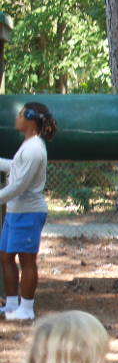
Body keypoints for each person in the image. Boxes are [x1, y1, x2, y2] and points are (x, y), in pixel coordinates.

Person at [0, 102, 57, 320]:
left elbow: (19, 185)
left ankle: (27, 309)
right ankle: (12, 304)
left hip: (29, 211)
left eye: (20, 115)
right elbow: (15, 166)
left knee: (26, 260)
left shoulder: (34, 149)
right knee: (5, 256)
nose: (16, 118)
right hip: (15, 211)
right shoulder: (28, 145)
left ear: (31, 120)